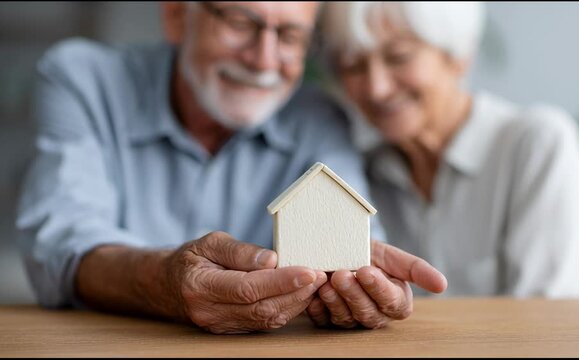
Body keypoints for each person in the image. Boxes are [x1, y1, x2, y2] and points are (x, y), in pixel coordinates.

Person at [15, 1, 447, 334]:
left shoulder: (319, 118)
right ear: (177, 15)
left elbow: (350, 232)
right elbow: (60, 238)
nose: (263, 60)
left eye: (291, 36)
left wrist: (361, 280)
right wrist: (162, 282)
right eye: (241, 23)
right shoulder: (84, 80)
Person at [318, 1, 579, 298]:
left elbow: (550, 321)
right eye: (353, 65)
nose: (376, 88)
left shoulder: (539, 146)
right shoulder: (357, 172)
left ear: (459, 56)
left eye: (399, 57)